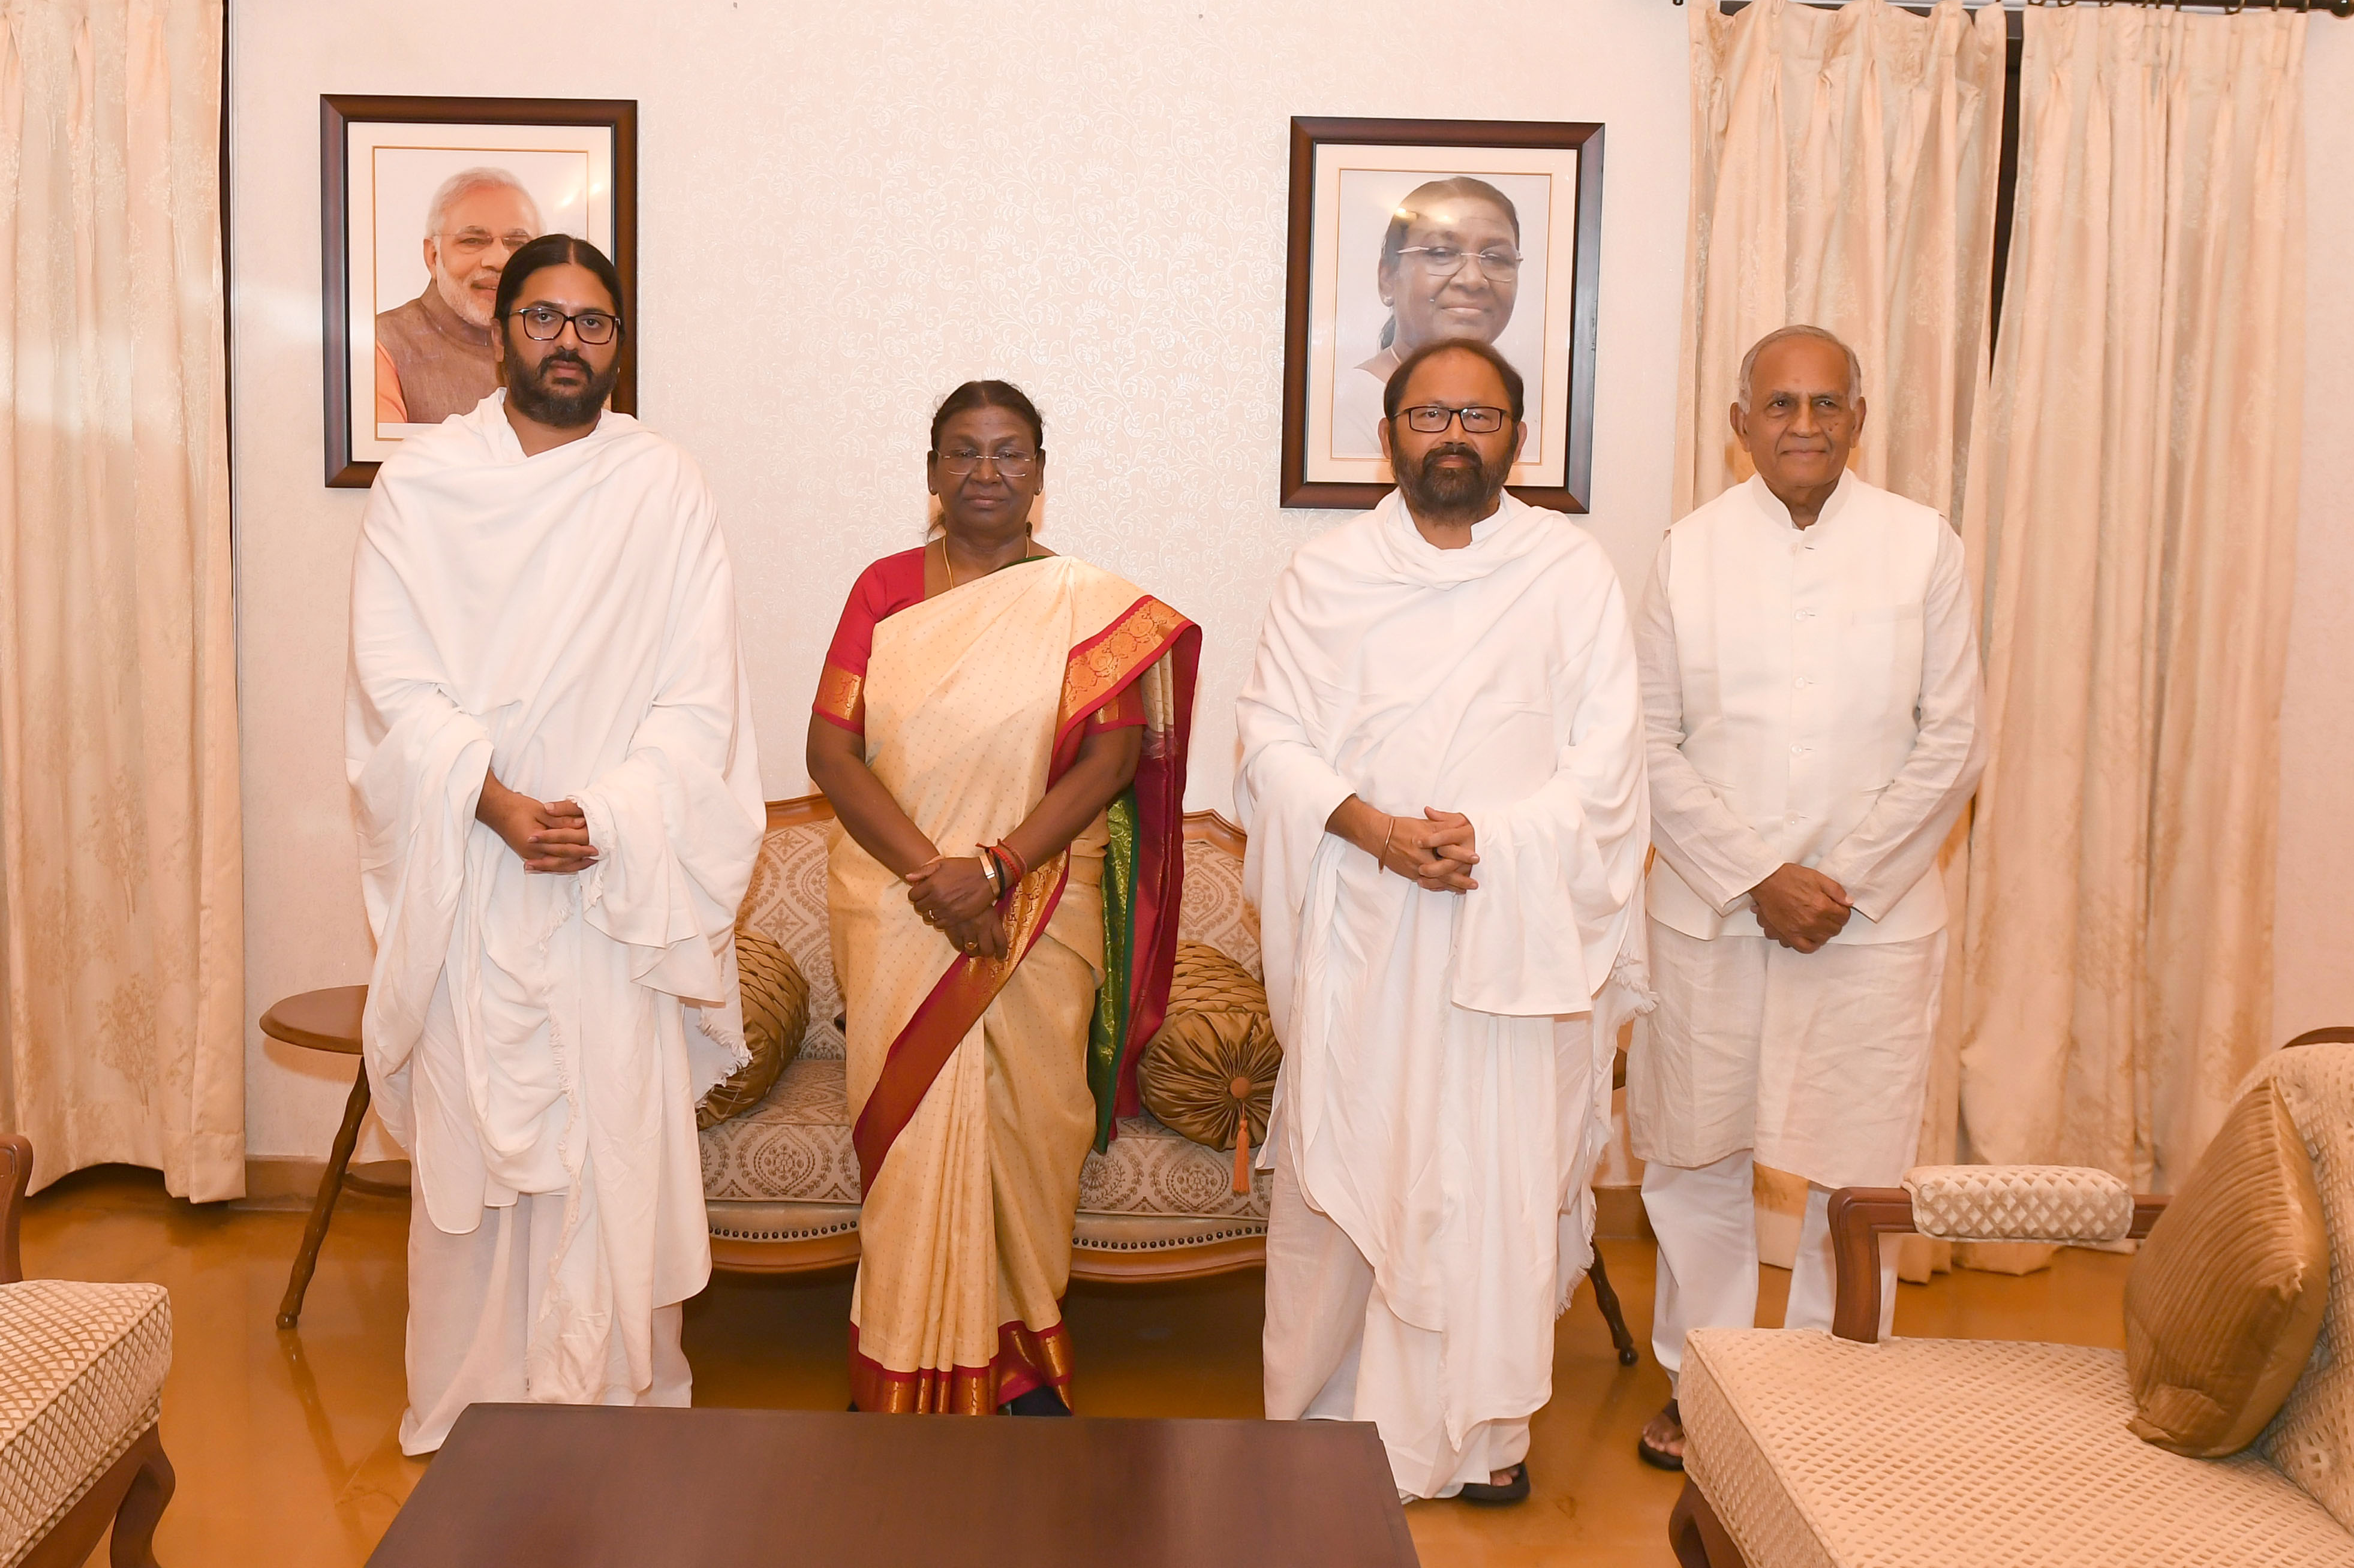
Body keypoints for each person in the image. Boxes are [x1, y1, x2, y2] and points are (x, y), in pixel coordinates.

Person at [348, 233, 762, 1455]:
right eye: (544, 318)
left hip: (614, 883)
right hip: (476, 869)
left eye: (592, 322)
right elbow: (391, 683)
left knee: (609, 1149)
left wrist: (616, 811)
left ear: (618, 342)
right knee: (484, 1157)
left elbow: (702, 698)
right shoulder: (423, 487)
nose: (567, 341)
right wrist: (492, 798)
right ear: (500, 331)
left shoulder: (663, 484)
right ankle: (479, 1415)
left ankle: (612, 1409)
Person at [1239, 336, 1647, 1503]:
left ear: (1519, 436)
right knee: (1346, 1177)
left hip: (1509, 935)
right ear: (1390, 435)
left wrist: (1494, 841)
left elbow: (1611, 770)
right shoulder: (1326, 578)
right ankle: (1320, 1421)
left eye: (1479, 419)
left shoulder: (1569, 574)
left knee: (1492, 1184)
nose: (1453, 439)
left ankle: (1478, 1442)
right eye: (1429, 418)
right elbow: (1268, 737)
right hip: (1365, 933)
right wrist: (1370, 828)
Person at [1626, 324, 1983, 1471]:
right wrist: (1755, 875)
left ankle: (1827, 1390)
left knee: (1853, 1161)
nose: (1804, 425)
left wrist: (1846, 877)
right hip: (1715, 910)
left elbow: (1955, 738)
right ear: (1740, 424)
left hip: (1869, 921)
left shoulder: (1923, 544)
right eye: (1779, 404)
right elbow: (1647, 737)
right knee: (1698, 1153)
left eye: (1827, 404)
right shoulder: (1685, 550)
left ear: (1859, 418)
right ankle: (1707, 1382)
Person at [805, 381, 1200, 1415]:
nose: (987, 472)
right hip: (900, 906)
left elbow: (1112, 760)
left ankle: (1020, 1359)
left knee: (1032, 1127)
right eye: (964, 453)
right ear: (932, 473)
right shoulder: (884, 589)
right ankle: (899, 1357)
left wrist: (995, 869)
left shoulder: (1085, 603)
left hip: (1036, 905)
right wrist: (936, 874)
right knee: (913, 1137)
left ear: (1039, 470)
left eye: (1010, 452)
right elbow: (831, 753)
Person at [1331, 177, 1530, 458]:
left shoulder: (1524, 405)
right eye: (1441, 253)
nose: (1473, 280)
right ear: (1388, 278)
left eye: (1496, 258)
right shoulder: (1344, 409)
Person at [375, 167, 544, 428]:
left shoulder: (560, 343)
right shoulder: (380, 343)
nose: (499, 261)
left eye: (518, 244)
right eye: (473, 241)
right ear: (433, 257)